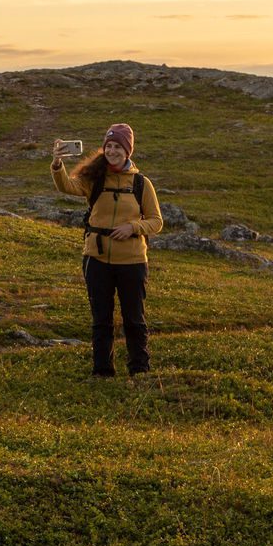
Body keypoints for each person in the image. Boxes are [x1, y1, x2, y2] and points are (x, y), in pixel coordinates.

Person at [51, 122, 163, 379]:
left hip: (132, 261)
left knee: (134, 319)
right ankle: (102, 372)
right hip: (96, 259)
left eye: (118, 147)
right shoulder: (95, 178)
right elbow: (66, 186)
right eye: (109, 146)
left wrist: (133, 227)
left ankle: (140, 370)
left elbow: (156, 222)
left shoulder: (141, 184)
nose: (112, 151)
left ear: (128, 151)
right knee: (101, 320)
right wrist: (58, 165)